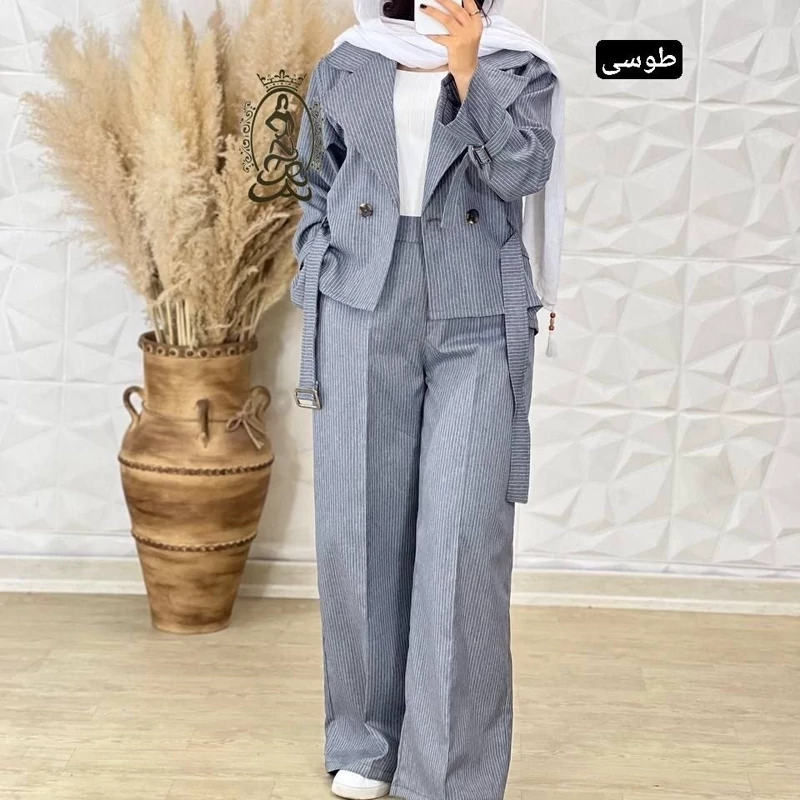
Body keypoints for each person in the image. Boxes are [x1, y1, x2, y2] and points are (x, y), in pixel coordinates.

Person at [289, 1, 566, 799]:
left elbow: (522, 173)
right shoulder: (348, 59)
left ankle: (446, 774)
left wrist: (470, 69)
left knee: (463, 539)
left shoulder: (519, 65)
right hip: (361, 299)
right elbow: (313, 177)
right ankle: (366, 743)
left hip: (476, 307)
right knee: (359, 524)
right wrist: (319, 259)